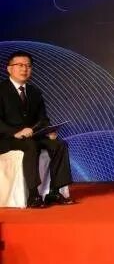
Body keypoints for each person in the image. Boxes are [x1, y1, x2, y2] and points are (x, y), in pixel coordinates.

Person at [0, 51, 75, 208]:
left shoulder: (34, 92)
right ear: (9, 69)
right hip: (7, 138)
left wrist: (49, 130)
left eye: (28, 66)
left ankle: (54, 191)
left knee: (59, 144)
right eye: (20, 65)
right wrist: (15, 132)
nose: (24, 69)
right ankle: (33, 195)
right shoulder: (1, 90)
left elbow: (43, 118)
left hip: (32, 136)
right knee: (30, 146)